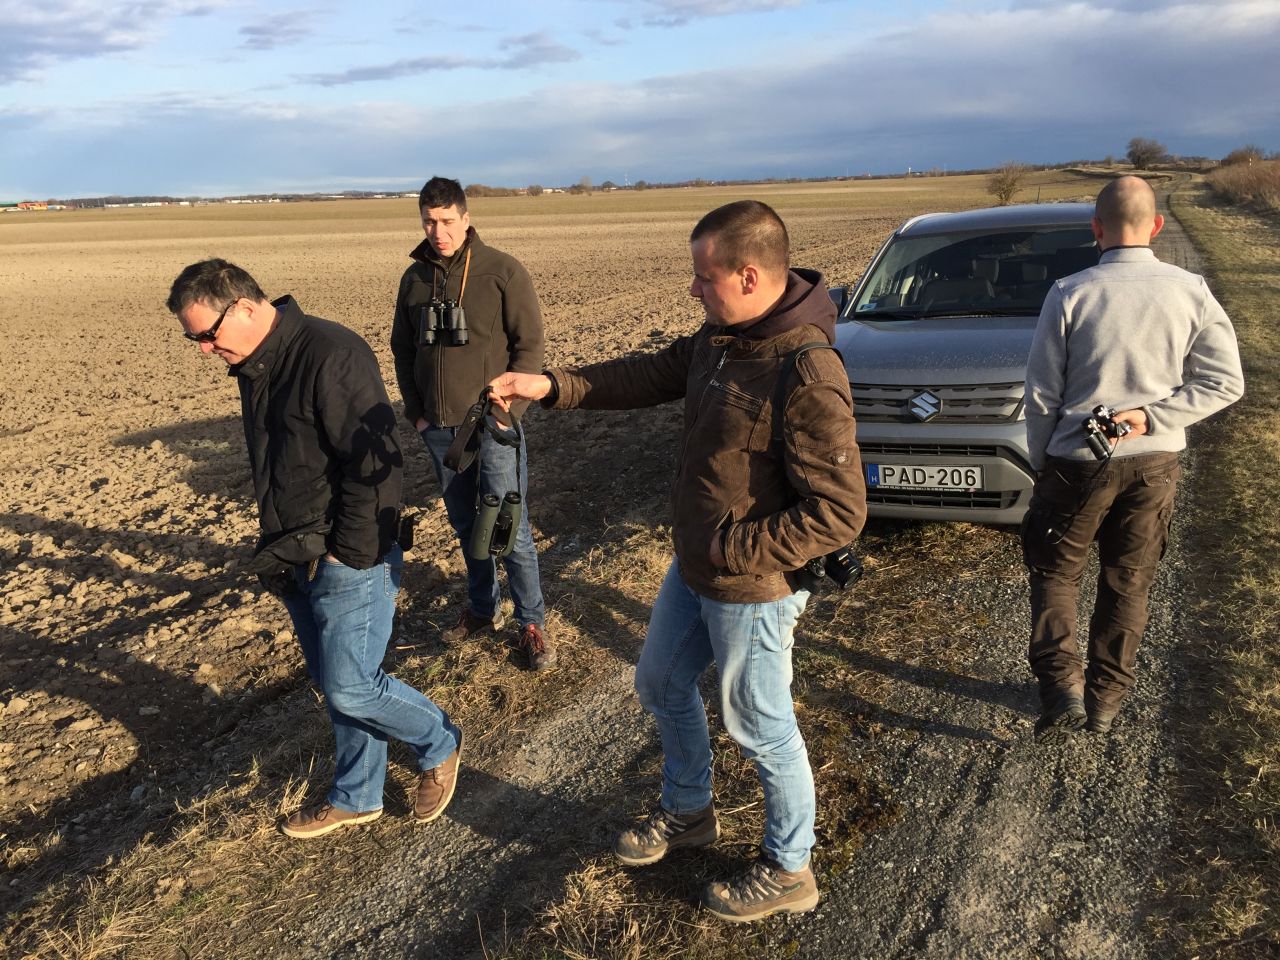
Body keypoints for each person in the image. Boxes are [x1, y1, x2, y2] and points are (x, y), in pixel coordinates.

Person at [488, 200, 866, 922]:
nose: (693, 290)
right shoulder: (723, 338)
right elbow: (645, 376)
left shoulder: (806, 371)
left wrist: (733, 547)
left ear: (748, 276)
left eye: (704, 277)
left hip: (752, 585)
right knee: (660, 683)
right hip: (695, 566)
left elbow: (839, 512)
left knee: (759, 724)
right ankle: (690, 811)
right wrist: (551, 385)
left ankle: (791, 867)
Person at [167, 259, 463, 838]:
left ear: (244, 308)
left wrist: (346, 554)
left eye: (207, 335)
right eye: (193, 339)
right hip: (295, 550)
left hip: (350, 552)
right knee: (336, 683)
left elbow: (376, 466)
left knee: (352, 684)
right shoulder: (258, 365)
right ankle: (358, 794)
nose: (204, 349)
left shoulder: (331, 354)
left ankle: (438, 739)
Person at [1022, 176, 1244, 740]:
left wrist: (1041, 460)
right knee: (1129, 579)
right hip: (1155, 463)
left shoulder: (1070, 292)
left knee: (1056, 572)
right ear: (1157, 226)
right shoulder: (1190, 290)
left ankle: (1062, 689)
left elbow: (1042, 394)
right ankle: (1106, 701)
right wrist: (1155, 417)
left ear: (1095, 228)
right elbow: (1225, 382)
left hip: (1074, 461)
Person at [390, 177, 553, 670]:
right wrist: (418, 413)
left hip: (493, 423)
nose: (437, 231)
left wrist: (508, 413)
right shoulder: (414, 279)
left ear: (465, 218)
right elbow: (402, 351)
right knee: (465, 524)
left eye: (446, 221)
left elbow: (530, 347)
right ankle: (483, 608)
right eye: (428, 221)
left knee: (508, 526)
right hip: (440, 430)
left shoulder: (502, 270)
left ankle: (531, 622)